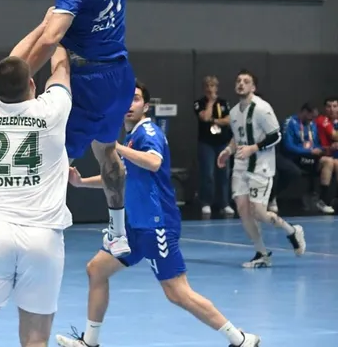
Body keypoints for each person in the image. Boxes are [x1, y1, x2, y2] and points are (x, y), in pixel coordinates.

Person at [56, 82, 260, 347]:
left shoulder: (148, 132)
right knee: (96, 270)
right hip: (134, 226)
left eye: (136, 99)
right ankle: (90, 342)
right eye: (126, 99)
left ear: (146, 106)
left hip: (156, 225)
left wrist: (114, 147)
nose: (130, 104)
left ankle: (240, 340)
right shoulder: (131, 138)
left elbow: (154, 162)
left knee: (177, 292)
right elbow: (122, 178)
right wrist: (82, 183)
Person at [24, 0, 134, 257]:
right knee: (107, 151)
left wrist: (20, 75)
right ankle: (117, 233)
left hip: (87, 82)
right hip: (119, 75)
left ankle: (39, 232)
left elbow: (51, 37)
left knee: (54, 159)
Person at [0, 8, 72, 347]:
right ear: (32, 84)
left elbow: (14, 60)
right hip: (43, 235)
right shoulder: (51, 111)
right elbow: (61, 70)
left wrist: (42, 26)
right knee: (35, 339)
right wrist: (59, 33)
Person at [216, 70, 306, 268]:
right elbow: (237, 137)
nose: (241, 83)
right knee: (242, 209)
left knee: (259, 213)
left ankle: (292, 230)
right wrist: (227, 151)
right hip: (240, 167)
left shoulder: (262, 109)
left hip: (261, 167)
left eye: (246, 81)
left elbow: (276, 135)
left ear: (253, 87)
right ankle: (262, 254)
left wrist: (253, 148)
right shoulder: (234, 112)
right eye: (238, 80)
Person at [281, 102, 335, 214]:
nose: (313, 120)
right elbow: (288, 146)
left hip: (310, 157)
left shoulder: (312, 124)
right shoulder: (290, 122)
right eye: (311, 116)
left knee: (329, 161)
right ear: (304, 112)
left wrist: (323, 149)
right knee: (324, 162)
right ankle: (311, 193)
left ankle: (322, 200)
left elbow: (314, 143)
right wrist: (309, 151)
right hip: (295, 158)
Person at [193, 75, 234, 216]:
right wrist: (210, 102)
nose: (210, 89)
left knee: (224, 174)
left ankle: (224, 203)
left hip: (222, 142)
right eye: (207, 86)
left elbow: (229, 120)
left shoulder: (224, 102)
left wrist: (214, 120)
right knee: (208, 174)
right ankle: (206, 202)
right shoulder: (199, 103)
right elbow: (204, 117)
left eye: (212, 86)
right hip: (206, 144)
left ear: (217, 87)